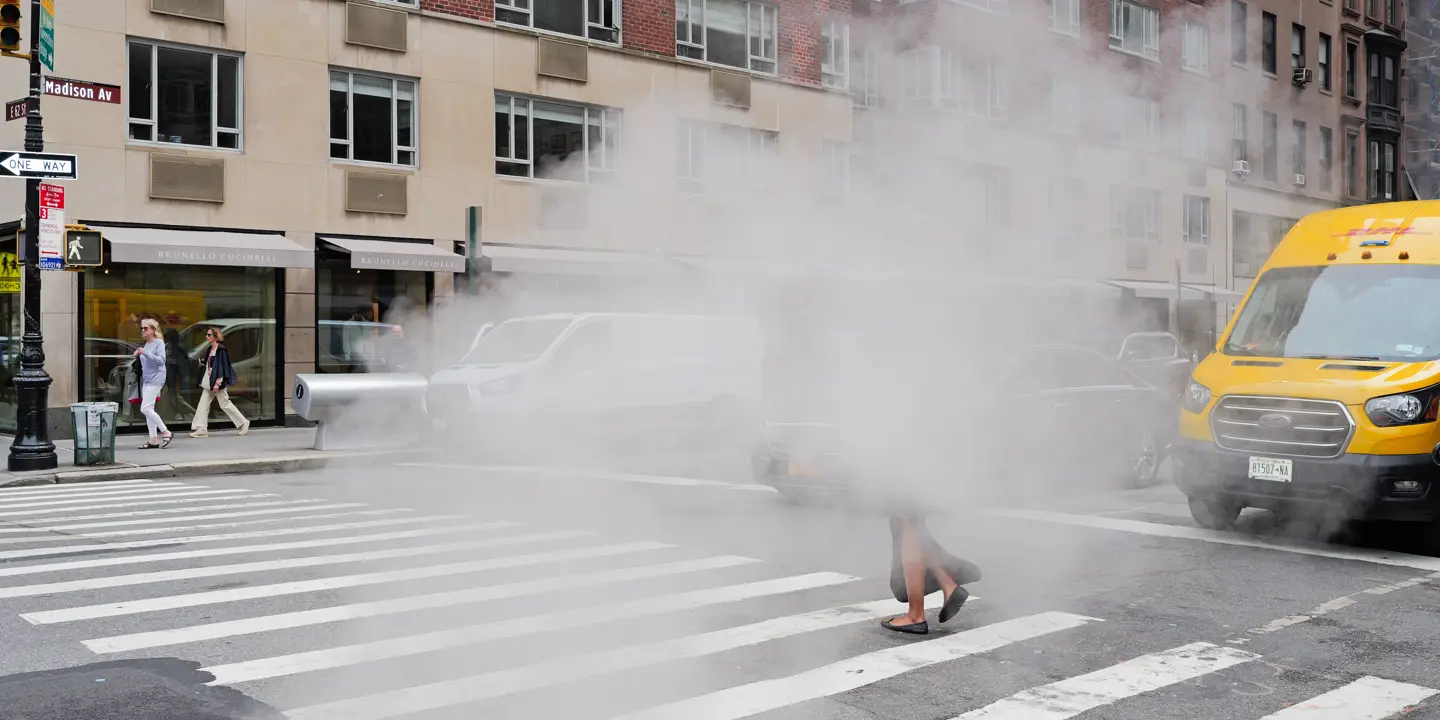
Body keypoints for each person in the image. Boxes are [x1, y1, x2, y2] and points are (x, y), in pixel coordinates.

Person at [190, 327, 249, 437]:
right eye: (207, 334)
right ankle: (201, 429)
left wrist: (218, 383)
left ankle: (244, 422)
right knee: (203, 405)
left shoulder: (221, 349)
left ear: (215, 336)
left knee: (225, 404)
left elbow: (222, 367)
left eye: (209, 335)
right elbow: (211, 364)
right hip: (209, 381)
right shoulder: (210, 349)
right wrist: (203, 363)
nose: (206, 337)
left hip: (216, 382)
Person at [133, 318, 173, 449]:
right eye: (142, 328)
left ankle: (166, 432)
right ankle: (153, 439)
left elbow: (161, 361)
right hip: (148, 379)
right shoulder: (146, 344)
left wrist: (145, 353)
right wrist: (138, 355)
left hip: (157, 378)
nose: (143, 330)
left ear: (153, 330)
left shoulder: (158, 342)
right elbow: (147, 363)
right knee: (149, 409)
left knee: (145, 408)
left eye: (146, 328)